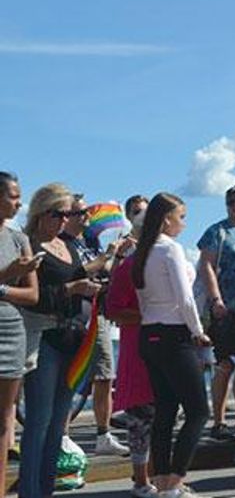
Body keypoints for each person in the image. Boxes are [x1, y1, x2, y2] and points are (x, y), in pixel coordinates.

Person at [19, 184, 101, 498]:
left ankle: (45, 488)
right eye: (60, 214)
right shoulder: (29, 244)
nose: (65, 220)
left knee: (58, 422)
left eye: (68, 214)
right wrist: (72, 289)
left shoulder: (68, 245)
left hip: (74, 335)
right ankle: (30, 491)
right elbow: (33, 298)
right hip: (45, 335)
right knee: (38, 420)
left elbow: (76, 276)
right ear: (42, 213)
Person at [133, 192, 211, 498]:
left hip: (149, 332)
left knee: (165, 409)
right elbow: (185, 297)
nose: (183, 223)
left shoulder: (143, 250)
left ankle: (163, 478)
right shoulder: (170, 249)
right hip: (173, 334)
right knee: (198, 411)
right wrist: (198, 331)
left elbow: (142, 298)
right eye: (181, 216)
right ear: (167, 219)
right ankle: (175, 479)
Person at [61, 193, 131, 456]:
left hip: (98, 313)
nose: (86, 217)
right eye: (81, 213)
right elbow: (76, 272)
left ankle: (103, 434)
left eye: (86, 212)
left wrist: (117, 257)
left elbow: (106, 271)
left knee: (104, 374)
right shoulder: (62, 244)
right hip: (75, 316)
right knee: (69, 376)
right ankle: (63, 433)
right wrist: (106, 258)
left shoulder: (89, 241)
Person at [105, 194, 157, 497]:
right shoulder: (127, 264)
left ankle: (161, 477)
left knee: (162, 414)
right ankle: (141, 480)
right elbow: (112, 309)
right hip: (138, 347)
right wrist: (149, 315)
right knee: (140, 417)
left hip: (164, 348)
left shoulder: (166, 258)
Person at [198, 183, 235, 440]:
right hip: (227, 307)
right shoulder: (217, 232)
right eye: (231, 202)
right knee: (225, 364)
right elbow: (207, 266)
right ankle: (218, 420)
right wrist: (216, 299)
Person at [0, 172, 39, 495]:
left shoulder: (19, 239)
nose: (18, 202)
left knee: (4, 421)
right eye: (12, 196)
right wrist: (7, 277)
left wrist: (3, 288)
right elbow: (14, 285)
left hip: (13, 331)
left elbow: (33, 296)